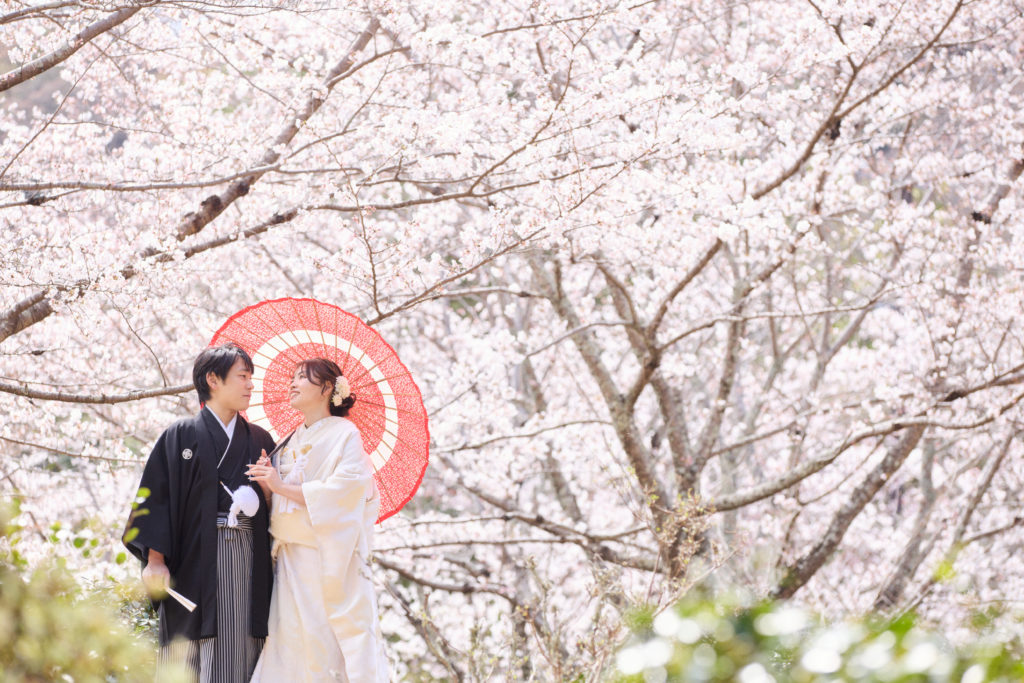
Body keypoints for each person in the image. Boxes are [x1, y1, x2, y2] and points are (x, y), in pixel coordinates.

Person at [123, 343, 276, 682]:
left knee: (242, 644)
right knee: (188, 648)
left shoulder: (260, 440)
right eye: (243, 376)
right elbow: (156, 500)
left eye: (251, 377)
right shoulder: (180, 436)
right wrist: (155, 561)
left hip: (248, 559)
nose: (250, 385)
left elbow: (277, 511)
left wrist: (268, 490)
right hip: (192, 561)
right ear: (213, 380)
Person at [247, 358, 389, 682]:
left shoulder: (346, 434)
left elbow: (345, 492)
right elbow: (279, 501)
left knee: (319, 642)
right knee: (286, 643)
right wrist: (268, 486)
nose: (292, 384)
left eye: (302, 378)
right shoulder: (289, 439)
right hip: (288, 557)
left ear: (327, 389)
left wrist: (280, 485)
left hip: (322, 557)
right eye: (293, 377)